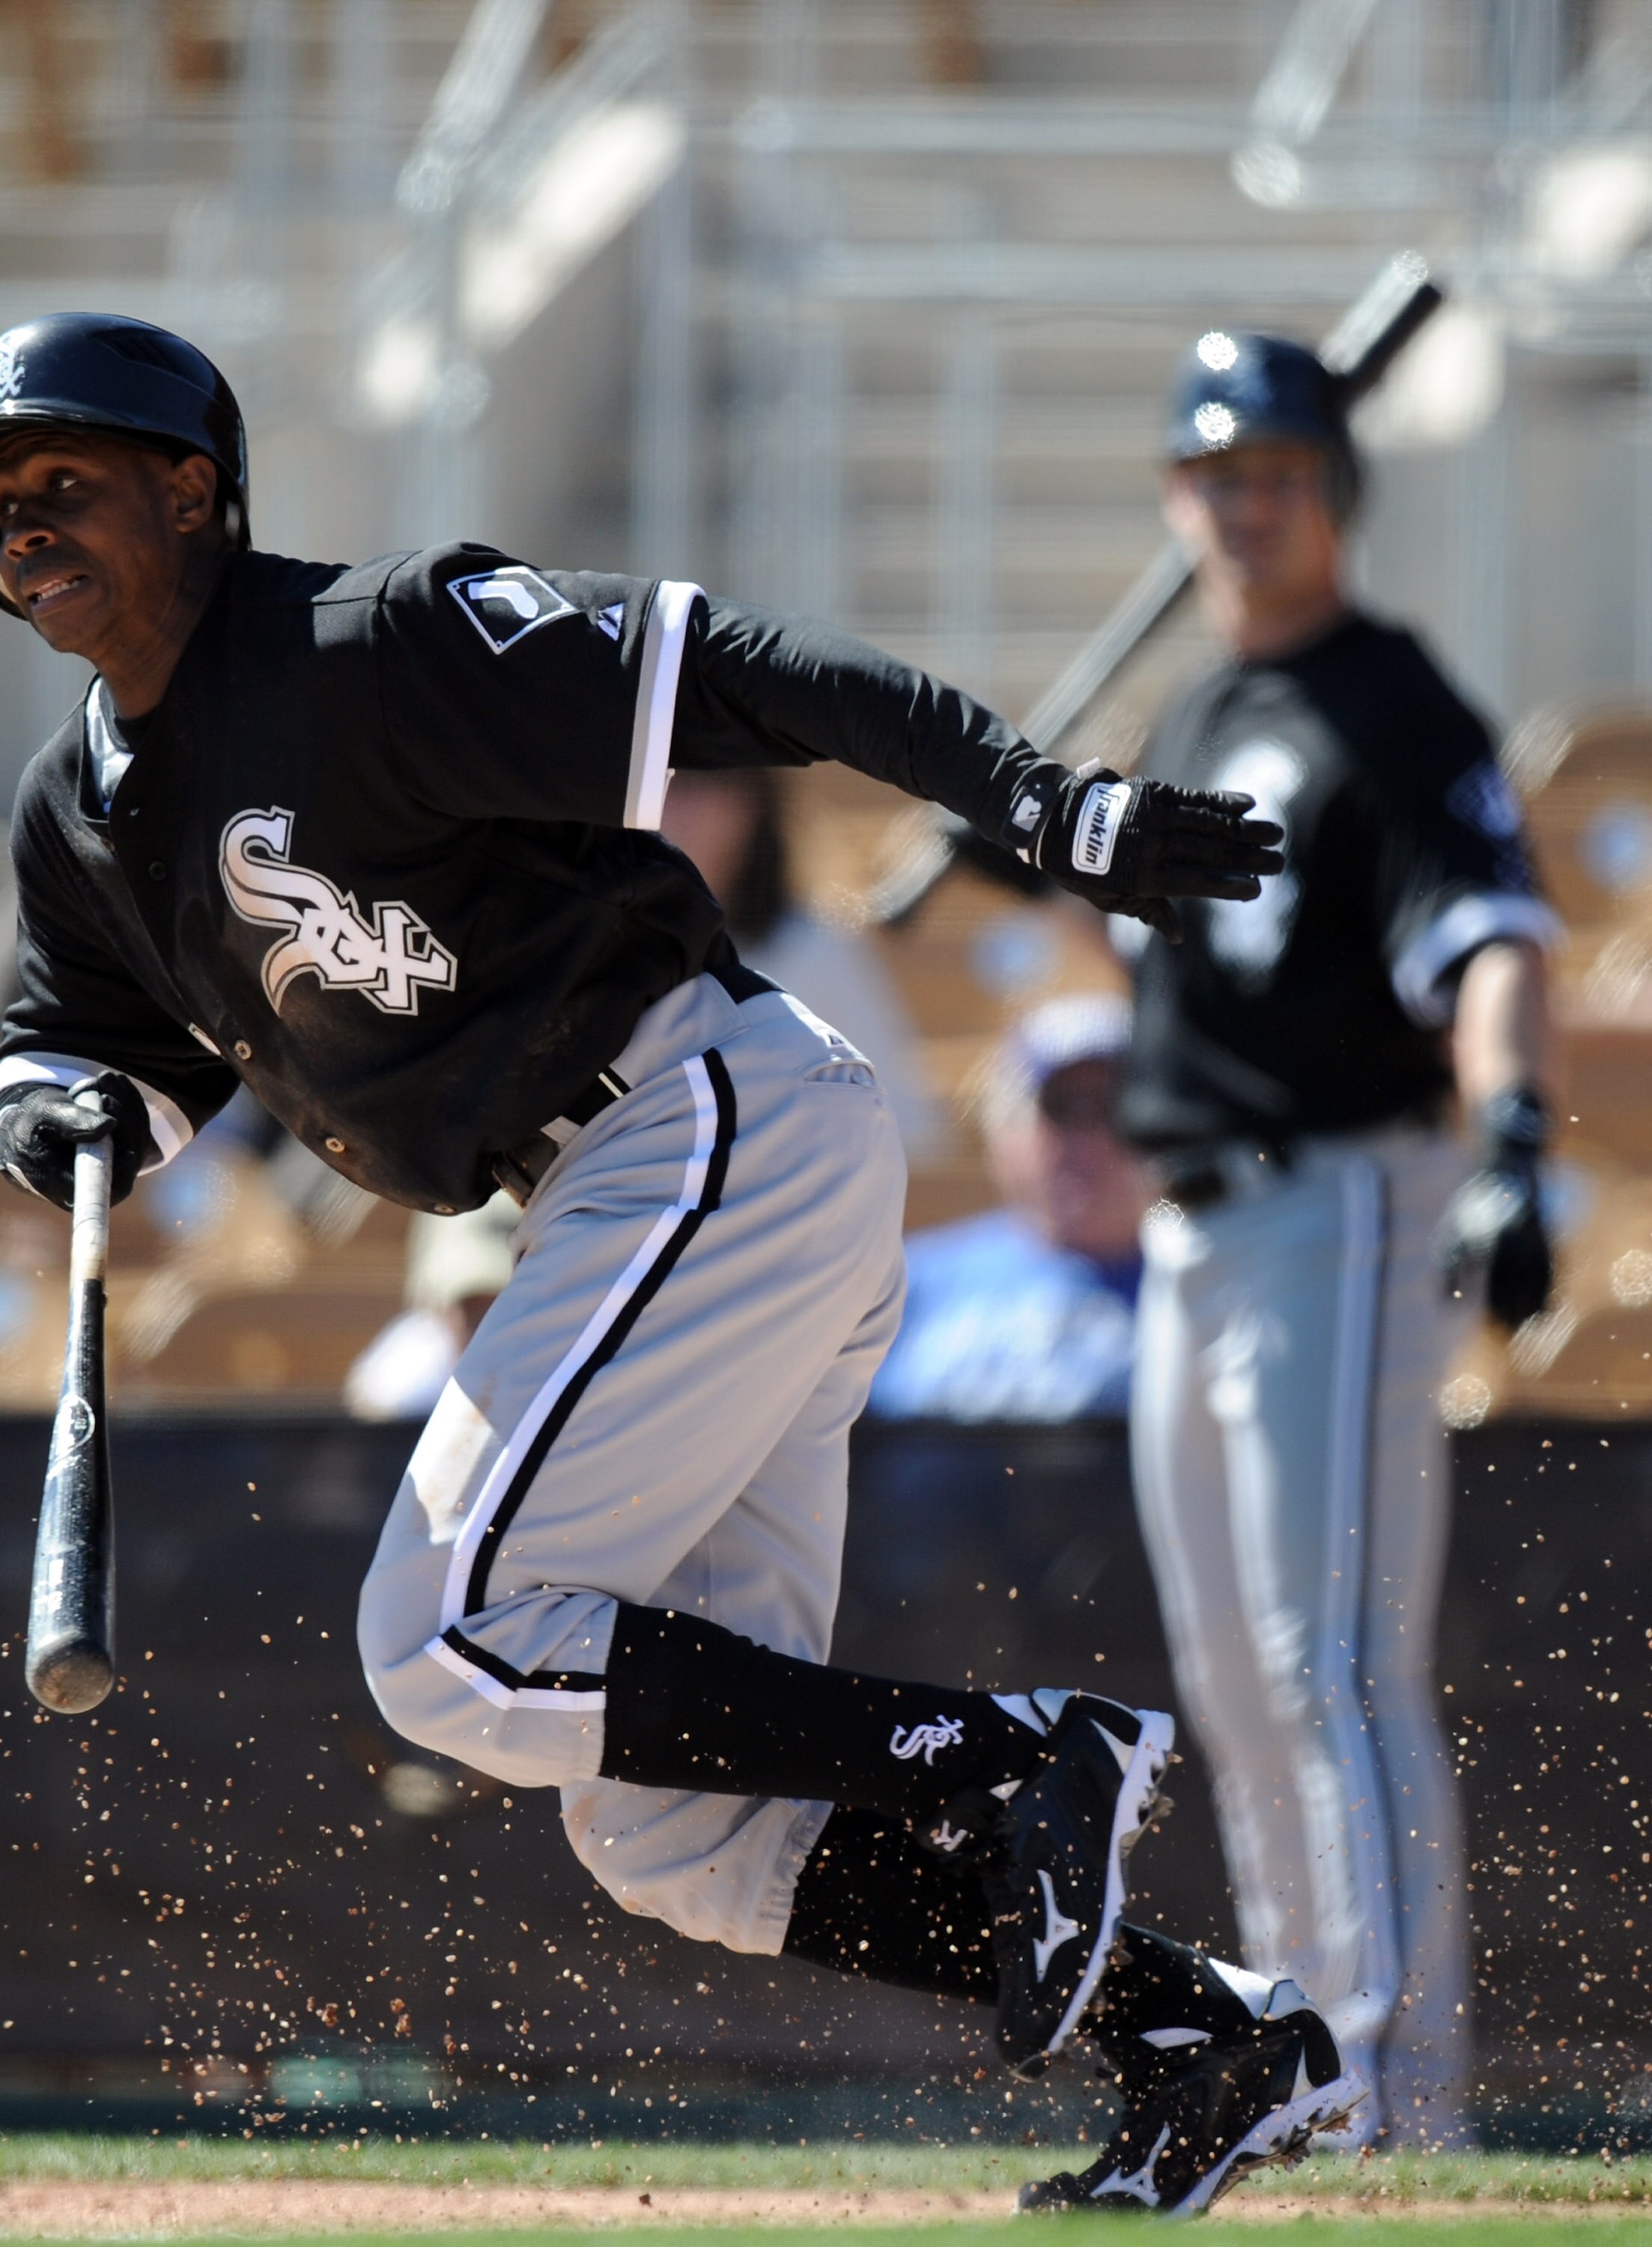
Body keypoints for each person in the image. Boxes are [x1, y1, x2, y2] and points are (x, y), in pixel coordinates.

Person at [0, 312, 1356, 2213]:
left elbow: (738, 666)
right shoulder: (79, 811)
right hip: (637, 1182)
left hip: (697, 1117)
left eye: (65, 482)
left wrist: (1041, 797)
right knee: (682, 1833)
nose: (23, 523)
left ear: (192, 489)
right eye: (0, 502)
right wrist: (59, 1110)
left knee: (446, 1642)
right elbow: (102, 1045)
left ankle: (1015, 1758)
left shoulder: (368, 642)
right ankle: (1213, 2034)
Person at [1120, 330, 1561, 2150]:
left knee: (1334, 1666)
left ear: (1334, 496)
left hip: (1341, 1200)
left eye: (1278, 472)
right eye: (1218, 473)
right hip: (1188, 1229)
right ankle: (1303, 2069)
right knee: (1235, 1684)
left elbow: (1496, 932)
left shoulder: (1392, 702)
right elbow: (1202, 996)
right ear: (1179, 498)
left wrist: (1513, 1130)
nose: (1245, 501)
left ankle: (1395, 2090)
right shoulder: (1199, 714)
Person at [869, 991, 1149, 1422]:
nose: (1087, 1141)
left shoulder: (1211, 1287)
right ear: (1001, 1127)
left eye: (1110, 1107)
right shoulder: (900, 1286)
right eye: (1060, 1108)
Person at [658, 766, 947, 1159]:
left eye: (700, 786)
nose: (673, 812)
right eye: (661, 786)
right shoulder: (580, 952)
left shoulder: (817, 952)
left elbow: (900, 1133)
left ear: (754, 805)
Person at [344, 1195, 520, 1422]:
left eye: (506, 1307)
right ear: (435, 1311)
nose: (490, 1326)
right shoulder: (403, 1388)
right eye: (475, 1312)